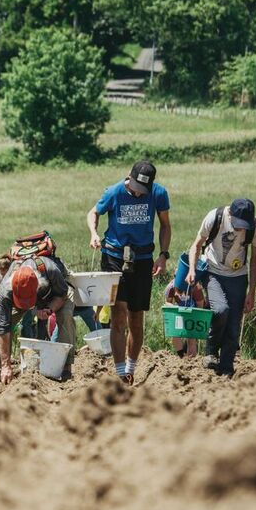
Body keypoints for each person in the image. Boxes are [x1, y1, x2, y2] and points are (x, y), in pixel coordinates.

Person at [87, 160, 171, 384]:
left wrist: (163, 254)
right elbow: (93, 213)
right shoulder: (113, 192)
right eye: (135, 187)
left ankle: (132, 366)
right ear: (130, 178)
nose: (138, 193)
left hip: (143, 258)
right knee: (118, 316)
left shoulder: (159, 194)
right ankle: (120, 371)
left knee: (136, 317)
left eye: (143, 190)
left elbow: (165, 225)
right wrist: (94, 233)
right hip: (114, 256)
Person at [186, 198, 256, 376]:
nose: (241, 229)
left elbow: (255, 260)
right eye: (238, 224)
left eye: (245, 225)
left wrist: (251, 292)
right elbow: (196, 245)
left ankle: (226, 368)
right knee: (220, 310)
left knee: (234, 325)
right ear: (230, 213)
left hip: (238, 276)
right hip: (213, 271)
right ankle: (211, 350)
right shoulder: (215, 217)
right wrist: (191, 270)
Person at [0, 256, 77, 385]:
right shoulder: (6, 290)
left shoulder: (51, 271)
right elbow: (2, 327)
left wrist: (49, 309)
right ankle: (1, 368)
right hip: (29, 299)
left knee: (66, 315)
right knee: (2, 324)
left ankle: (66, 367)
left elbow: (62, 294)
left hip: (56, 295)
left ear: (39, 285)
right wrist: (6, 365)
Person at [164, 280, 206, 358]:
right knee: (175, 334)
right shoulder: (170, 287)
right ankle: (181, 357)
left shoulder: (196, 287)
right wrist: (174, 308)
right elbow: (167, 302)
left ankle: (192, 360)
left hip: (193, 312)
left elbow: (200, 305)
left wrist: (196, 321)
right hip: (178, 312)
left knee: (191, 338)